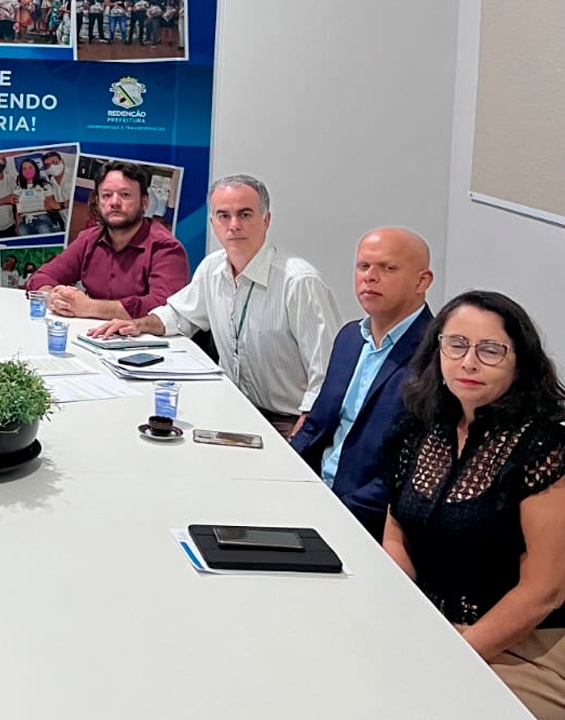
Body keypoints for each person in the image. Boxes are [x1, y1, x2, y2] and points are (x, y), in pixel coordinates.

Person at [380, 291, 565, 719]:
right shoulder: (420, 425)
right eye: (457, 344)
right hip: (433, 623)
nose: (468, 362)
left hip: (526, 647)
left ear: (520, 362)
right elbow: (397, 531)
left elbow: (544, 591)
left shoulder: (543, 447)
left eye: (490, 350)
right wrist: (397, 608)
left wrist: (456, 654)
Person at [90, 174, 339, 435]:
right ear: (213, 223)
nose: (234, 225)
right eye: (223, 216)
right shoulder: (213, 268)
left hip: (287, 422)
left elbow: (329, 376)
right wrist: (136, 325)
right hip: (234, 410)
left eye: (244, 214)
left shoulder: (299, 282)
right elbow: (178, 315)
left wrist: (302, 437)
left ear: (266, 220)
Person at [290, 228, 433, 540]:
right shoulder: (350, 337)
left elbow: (406, 470)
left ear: (422, 281)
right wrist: (280, 472)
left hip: (366, 521)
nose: (370, 277)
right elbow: (316, 426)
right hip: (314, 494)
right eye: (363, 266)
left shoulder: (436, 356)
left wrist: (332, 514)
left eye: (388, 268)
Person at [27, 161, 188, 320]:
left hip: (144, 341)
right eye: (106, 195)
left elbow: (164, 308)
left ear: (144, 202)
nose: (114, 202)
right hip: (91, 336)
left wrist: (88, 307)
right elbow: (41, 277)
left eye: (125, 195)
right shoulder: (88, 239)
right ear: (98, 202)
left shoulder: (166, 248)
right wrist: (53, 297)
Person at [13, 159, 63, 236]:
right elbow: (17, 209)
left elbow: (52, 205)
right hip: (25, 220)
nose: (27, 170)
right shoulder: (18, 189)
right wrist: (17, 225)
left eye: (30, 167)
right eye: (24, 169)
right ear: (21, 172)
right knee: (22, 230)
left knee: (42, 227)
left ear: (35, 169)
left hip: (42, 217)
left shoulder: (45, 185)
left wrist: (47, 204)